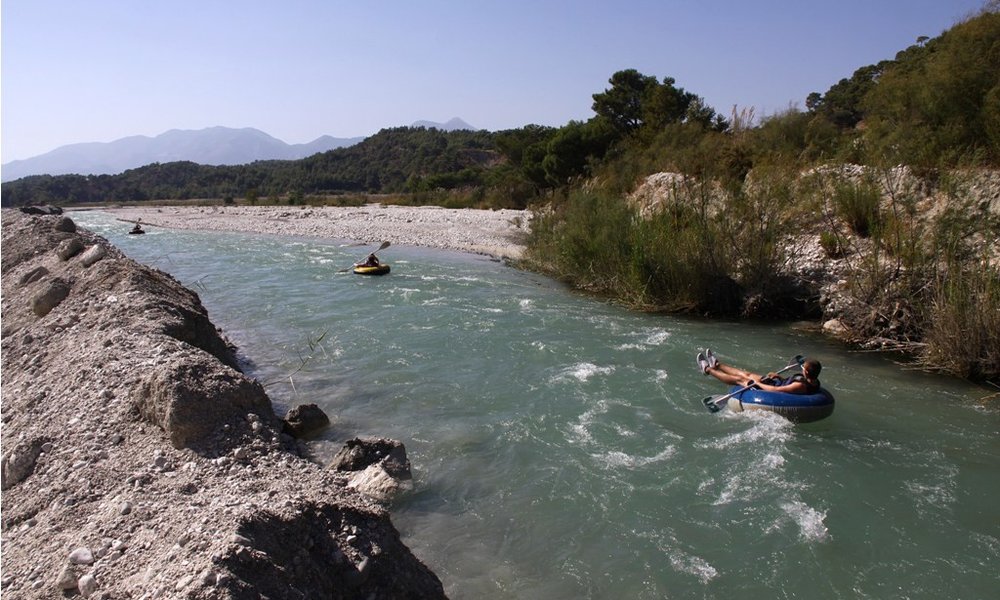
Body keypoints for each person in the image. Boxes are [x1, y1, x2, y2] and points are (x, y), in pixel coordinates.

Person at [697, 349, 822, 394]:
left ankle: (707, 369)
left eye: (803, 367)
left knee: (740, 380)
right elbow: (786, 385)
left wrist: (757, 385)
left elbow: (776, 391)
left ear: (806, 371)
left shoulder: (800, 386)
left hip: (768, 388)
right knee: (747, 374)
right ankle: (717, 365)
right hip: (775, 383)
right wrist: (779, 377)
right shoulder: (814, 381)